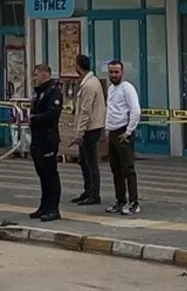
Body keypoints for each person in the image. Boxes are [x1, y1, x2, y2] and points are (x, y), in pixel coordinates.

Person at [103, 60, 142, 215]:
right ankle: (120, 200)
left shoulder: (127, 88)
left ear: (122, 73)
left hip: (123, 133)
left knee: (128, 169)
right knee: (115, 169)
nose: (113, 75)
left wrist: (128, 131)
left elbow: (136, 111)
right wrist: (107, 130)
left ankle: (134, 202)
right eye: (111, 72)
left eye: (116, 72)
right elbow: (110, 110)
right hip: (112, 132)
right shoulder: (111, 89)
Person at [28, 64, 64, 222]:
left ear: (44, 75)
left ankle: (53, 208)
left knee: (50, 174)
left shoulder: (53, 92)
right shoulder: (40, 92)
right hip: (38, 139)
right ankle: (44, 206)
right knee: (42, 174)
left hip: (48, 139)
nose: (34, 78)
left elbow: (53, 113)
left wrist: (35, 119)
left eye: (36, 75)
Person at [71, 55, 106, 206]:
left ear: (78, 66)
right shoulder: (89, 82)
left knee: (90, 162)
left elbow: (86, 111)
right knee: (83, 161)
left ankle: (94, 194)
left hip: (90, 129)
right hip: (90, 128)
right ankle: (88, 190)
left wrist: (79, 132)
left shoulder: (89, 85)